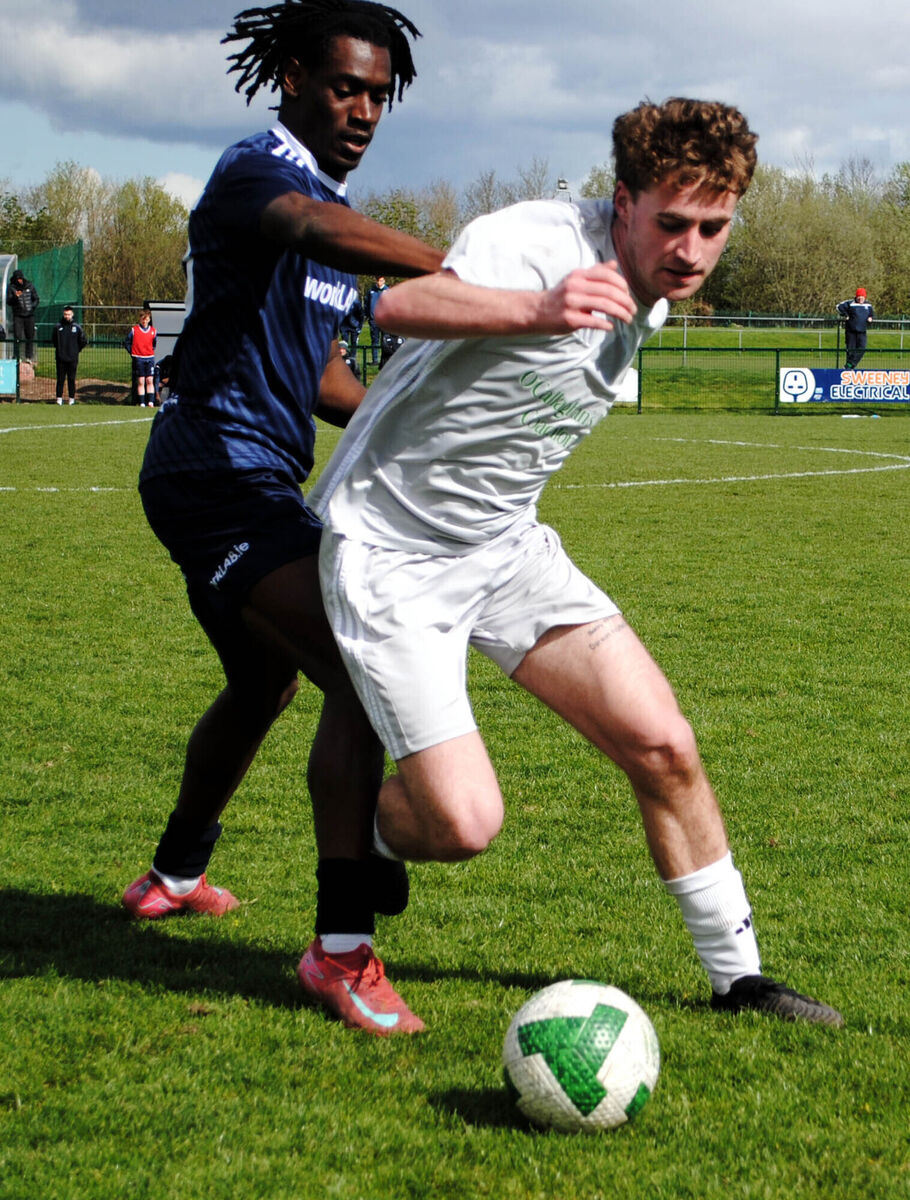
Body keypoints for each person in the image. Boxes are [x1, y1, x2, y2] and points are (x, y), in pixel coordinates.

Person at [311, 97, 844, 1032]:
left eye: (713, 227)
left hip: (506, 547)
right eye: (672, 223)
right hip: (392, 552)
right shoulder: (537, 242)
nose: (691, 250)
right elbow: (400, 305)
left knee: (664, 743)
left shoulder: (657, 293)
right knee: (463, 825)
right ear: (623, 202)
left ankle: (741, 979)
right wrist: (539, 307)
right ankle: (377, 838)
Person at [122, 0, 444, 1037]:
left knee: (265, 683)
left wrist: (412, 420)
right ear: (295, 79)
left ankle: (174, 874)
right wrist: (451, 272)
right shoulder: (256, 176)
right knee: (360, 664)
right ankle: (340, 950)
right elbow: (307, 226)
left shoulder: (333, 213)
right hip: (213, 477)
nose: (365, 110)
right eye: (347, 87)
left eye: (380, 95)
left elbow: (321, 378)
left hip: (252, 481)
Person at [52, 305, 88, 404]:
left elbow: (83, 341)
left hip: (72, 358)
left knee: (71, 379)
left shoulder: (77, 327)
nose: (67, 316)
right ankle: (59, 399)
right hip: (61, 358)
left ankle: (71, 399)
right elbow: (54, 341)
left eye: (68, 314)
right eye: (65, 314)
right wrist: (60, 350)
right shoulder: (58, 327)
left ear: (72, 315)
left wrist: (76, 350)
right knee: (60, 379)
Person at [124, 309, 158, 405]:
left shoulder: (153, 331)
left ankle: (151, 402)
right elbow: (127, 342)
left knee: (150, 380)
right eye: (143, 319)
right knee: (141, 380)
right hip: (139, 358)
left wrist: (149, 351)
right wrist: (133, 352)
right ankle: (142, 403)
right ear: (140, 319)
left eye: (146, 319)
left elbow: (154, 344)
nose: (144, 321)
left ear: (149, 319)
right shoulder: (134, 330)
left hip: (149, 358)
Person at [7, 269, 40, 364]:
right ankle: (17, 356)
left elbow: (36, 299)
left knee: (30, 335)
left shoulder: (30, 286)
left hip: (29, 315)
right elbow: (9, 301)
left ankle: (29, 356)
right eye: (17, 279)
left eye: (20, 278)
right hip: (18, 315)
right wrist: (15, 297)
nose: (19, 280)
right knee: (17, 336)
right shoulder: (11, 288)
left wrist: (31, 307)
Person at [836, 287, 874, 369]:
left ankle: (849, 365)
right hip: (851, 331)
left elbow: (871, 314)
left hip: (862, 331)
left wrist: (870, 318)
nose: (861, 298)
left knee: (862, 348)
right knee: (850, 351)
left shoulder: (868, 305)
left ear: (865, 297)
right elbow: (838, 307)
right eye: (859, 296)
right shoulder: (850, 303)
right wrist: (845, 315)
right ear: (856, 296)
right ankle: (849, 369)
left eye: (862, 297)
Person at [365, 275, 389, 363]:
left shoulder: (388, 291)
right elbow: (367, 304)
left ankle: (384, 360)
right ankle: (374, 360)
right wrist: (368, 316)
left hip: (384, 320)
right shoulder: (371, 291)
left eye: (381, 280)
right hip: (373, 320)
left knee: (385, 341)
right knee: (374, 340)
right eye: (378, 281)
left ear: (384, 281)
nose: (379, 283)